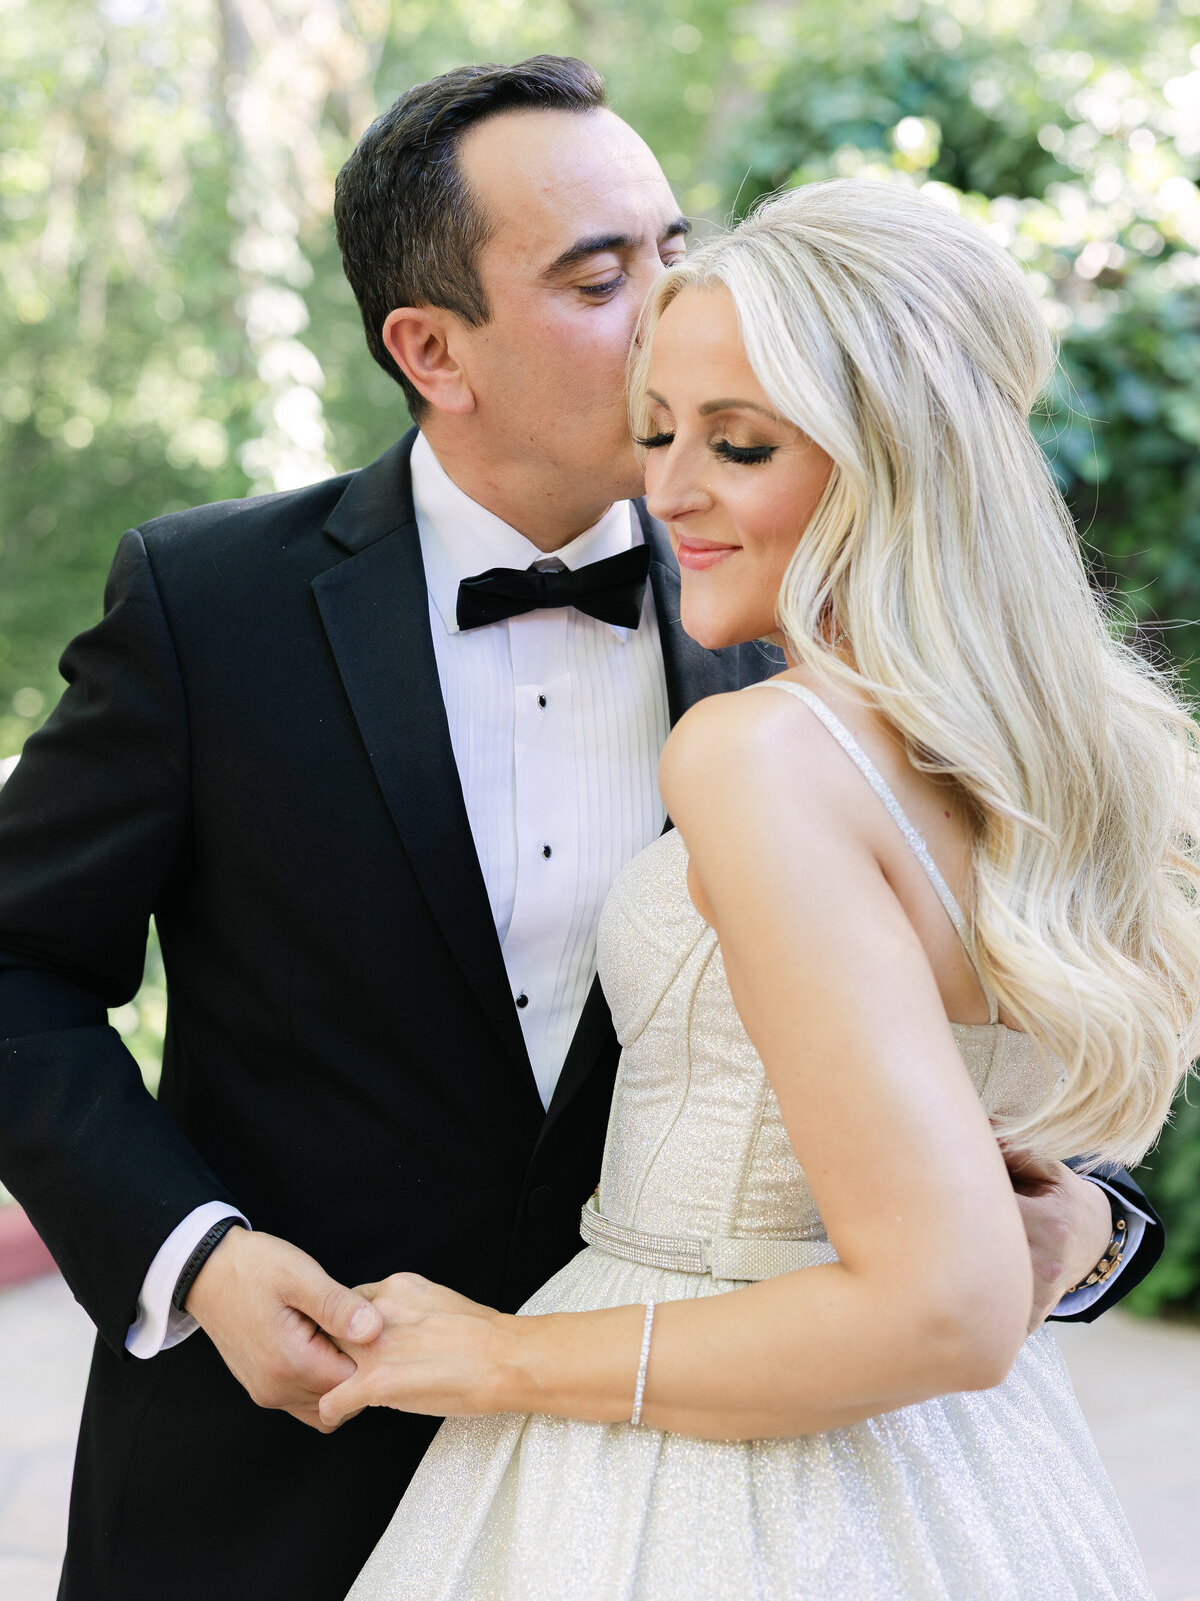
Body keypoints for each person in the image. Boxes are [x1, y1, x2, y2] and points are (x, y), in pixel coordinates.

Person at [0, 64, 1157, 1601]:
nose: (672, 302)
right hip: (268, 1471)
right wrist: (197, 1257)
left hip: (723, 1477)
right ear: (432, 349)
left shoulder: (801, 616)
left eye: (675, 246)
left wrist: (1078, 1219)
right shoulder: (206, 606)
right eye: (602, 277)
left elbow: (1003, 995)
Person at [326, 180, 1200, 1601]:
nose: (668, 490)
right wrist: (1077, 1222)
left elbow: (944, 1308)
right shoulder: (1069, 756)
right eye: (658, 430)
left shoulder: (761, 752)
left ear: (899, 459)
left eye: (739, 445)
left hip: (700, 1480)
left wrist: (499, 1359)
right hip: (975, 1472)